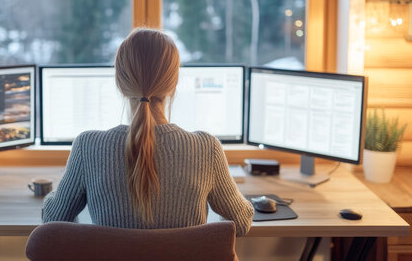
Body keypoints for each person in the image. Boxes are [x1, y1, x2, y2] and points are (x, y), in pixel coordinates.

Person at [42, 28, 254, 236]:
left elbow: (53, 219)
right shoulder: (207, 148)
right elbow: (242, 221)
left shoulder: (88, 146)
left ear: (120, 82)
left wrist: (66, 187)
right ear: (173, 83)